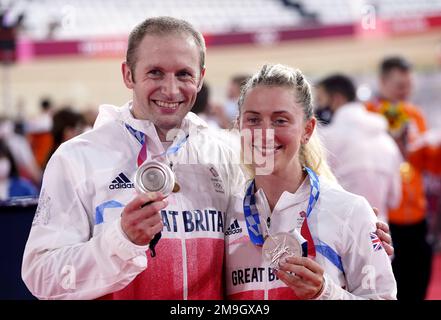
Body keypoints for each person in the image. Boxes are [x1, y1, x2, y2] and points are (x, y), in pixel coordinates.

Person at [22, 16, 392, 300]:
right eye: (154, 72)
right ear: (127, 74)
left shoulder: (226, 151)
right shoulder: (78, 159)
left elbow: (295, 185)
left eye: (183, 74)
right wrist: (119, 241)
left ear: (200, 79)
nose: (170, 89)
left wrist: (359, 226)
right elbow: (41, 276)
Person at [225, 64, 397, 300]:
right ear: (239, 126)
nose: (265, 133)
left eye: (280, 121)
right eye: (253, 120)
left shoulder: (349, 211)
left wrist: (325, 293)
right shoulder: (225, 212)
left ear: (307, 129)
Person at [365, 56, 439, 300]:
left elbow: (427, 164)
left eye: (409, 85)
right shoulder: (368, 116)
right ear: (383, 82)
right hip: (385, 216)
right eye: (399, 85)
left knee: (419, 281)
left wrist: (428, 147)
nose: (405, 91)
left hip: (416, 212)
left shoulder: (414, 114)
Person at [316, 74, 402, 222]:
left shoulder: (325, 138)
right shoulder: (386, 140)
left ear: (337, 99)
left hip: (338, 233)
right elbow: (395, 199)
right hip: (380, 235)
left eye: (320, 100)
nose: (317, 107)